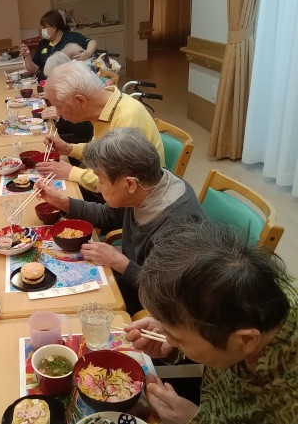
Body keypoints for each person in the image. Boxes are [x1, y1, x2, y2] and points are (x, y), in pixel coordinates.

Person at [124, 221, 298, 424]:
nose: (166, 337)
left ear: (246, 341)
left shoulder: (289, 396)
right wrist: (173, 338)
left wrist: (196, 421)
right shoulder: (241, 296)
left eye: (178, 338)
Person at [36, 128, 204, 314]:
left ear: (129, 184)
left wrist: (119, 263)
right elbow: (109, 216)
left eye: (101, 180)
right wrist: (61, 202)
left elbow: (166, 294)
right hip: (134, 278)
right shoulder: (148, 184)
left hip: (153, 305)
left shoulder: (178, 224)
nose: (98, 187)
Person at [35, 60, 165, 194]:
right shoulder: (104, 109)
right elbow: (102, 153)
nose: (58, 112)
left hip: (136, 197)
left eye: (59, 106)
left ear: (80, 100)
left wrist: (71, 172)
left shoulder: (126, 117)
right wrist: (69, 149)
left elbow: (118, 181)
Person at [19, 10, 97, 80]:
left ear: (54, 27)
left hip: (68, 81)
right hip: (46, 83)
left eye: (45, 27)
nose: (43, 30)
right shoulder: (43, 44)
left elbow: (92, 42)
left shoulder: (72, 37)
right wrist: (27, 56)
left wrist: (88, 53)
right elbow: (34, 69)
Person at [41, 52, 93, 156]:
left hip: (81, 143)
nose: (48, 81)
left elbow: (87, 129)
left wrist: (60, 116)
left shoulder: (82, 93)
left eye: (51, 78)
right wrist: (68, 149)